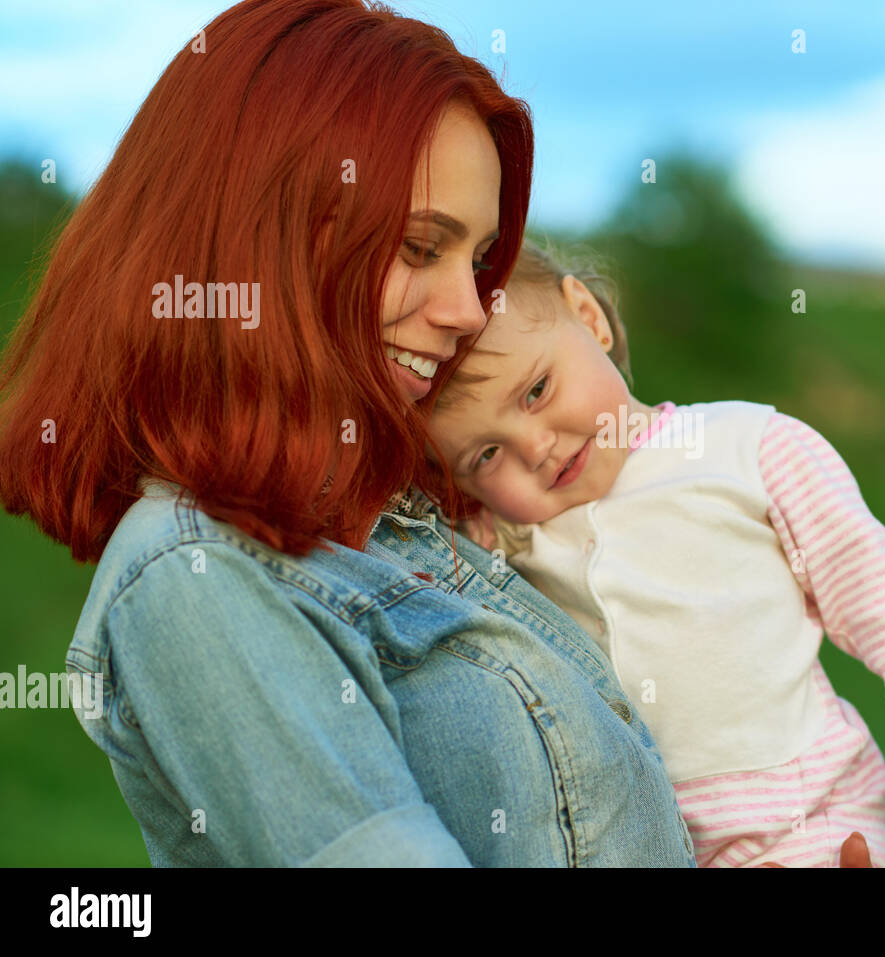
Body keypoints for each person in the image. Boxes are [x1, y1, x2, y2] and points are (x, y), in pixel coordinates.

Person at [0, 0, 709, 867]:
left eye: (480, 261)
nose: (465, 312)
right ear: (260, 236)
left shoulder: (409, 516)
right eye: (418, 248)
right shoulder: (194, 571)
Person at [427, 239, 885, 866]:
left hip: (804, 806)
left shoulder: (745, 449)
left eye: (536, 390)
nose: (534, 447)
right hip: (643, 833)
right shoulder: (507, 541)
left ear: (588, 317)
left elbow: (865, 577)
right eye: (485, 455)